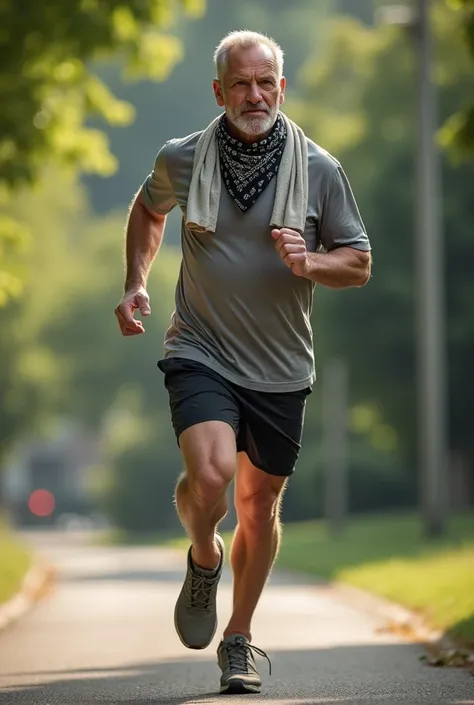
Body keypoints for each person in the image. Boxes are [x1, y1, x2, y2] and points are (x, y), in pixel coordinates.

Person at [115, 29, 371, 695]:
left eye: (266, 84)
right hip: (200, 347)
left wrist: (310, 261)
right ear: (219, 90)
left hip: (282, 365)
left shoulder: (318, 169)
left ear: (281, 89)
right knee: (213, 473)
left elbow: (359, 260)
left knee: (259, 506)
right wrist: (136, 280)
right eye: (241, 84)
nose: (254, 95)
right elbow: (147, 211)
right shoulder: (184, 157)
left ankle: (239, 637)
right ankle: (205, 554)